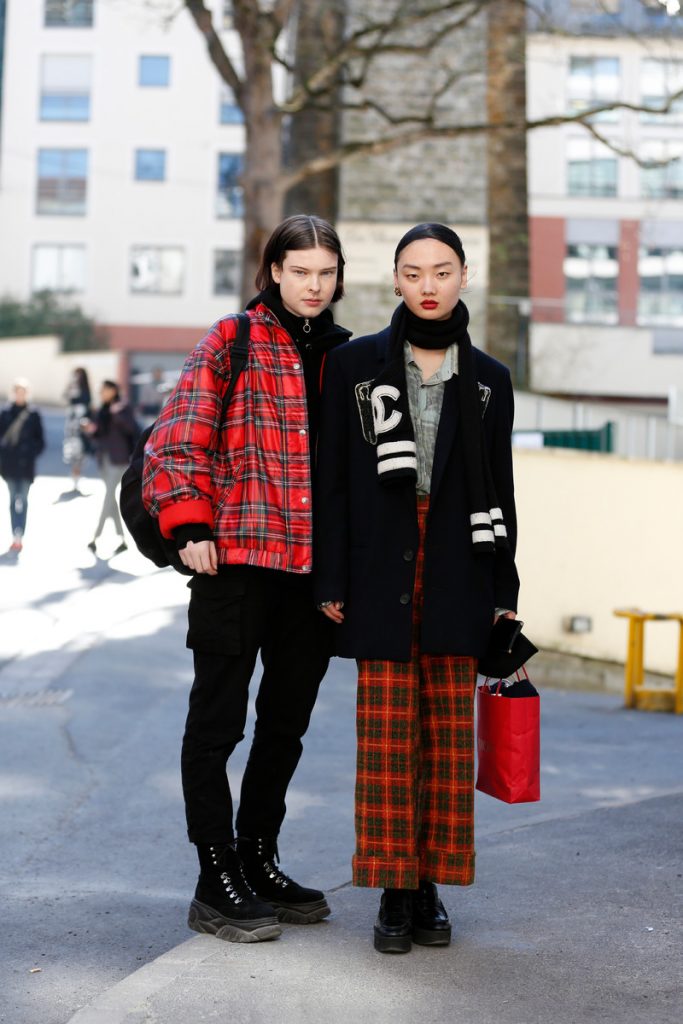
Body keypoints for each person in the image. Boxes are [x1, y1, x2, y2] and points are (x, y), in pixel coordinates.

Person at [142, 215, 351, 944]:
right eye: (301, 272)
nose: (313, 286)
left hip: (309, 576)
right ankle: (215, 874)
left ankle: (259, 857)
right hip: (232, 565)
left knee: (285, 727)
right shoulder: (231, 339)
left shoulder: (346, 357)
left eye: (326, 273)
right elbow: (178, 436)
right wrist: (191, 527)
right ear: (274, 272)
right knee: (217, 726)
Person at [314, 223, 521, 954]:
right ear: (395, 280)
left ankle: (430, 884)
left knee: (447, 743)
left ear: (465, 276)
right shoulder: (355, 365)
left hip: (461, 564)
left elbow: (501, 488)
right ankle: (392, 890)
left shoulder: (490, 378)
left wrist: (504, 589)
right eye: (412, 272)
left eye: (441, 271)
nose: (427, 285)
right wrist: (330, 575)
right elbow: (333, 478)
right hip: (379, 564)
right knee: (386, 740)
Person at [84, 380, 139, 556]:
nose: (101, 393)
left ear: (113, 390)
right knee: (111, 501)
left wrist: (116, 415)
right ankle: (122, 540)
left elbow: (131, 429)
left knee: (108, 497)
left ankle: (95, 538)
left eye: (104, 390)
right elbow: (99, 434)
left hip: (120, 461)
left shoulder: (123, 407)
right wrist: (90, 430)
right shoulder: (102, 409)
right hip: (104, 461)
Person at [0, 378, 45, 553]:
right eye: (17, 392)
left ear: (27, 394)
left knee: (24, 501)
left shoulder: (33, 414)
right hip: (9, 465)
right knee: (12, 500)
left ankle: (20, 536)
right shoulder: (5, 413)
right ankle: (14, 535)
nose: (20, 395)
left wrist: (30, 451)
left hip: (26, 465)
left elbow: (41, 441)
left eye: (23, 392)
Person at [62, 366, 92, 494]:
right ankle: (75, 478)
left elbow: (87, 404)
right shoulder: (72, 388)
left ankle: (77, 478)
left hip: (82, 425)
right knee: (73, 453)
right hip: (71, 425)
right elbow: (66, 397)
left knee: (81, 453)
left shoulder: (86, 390)